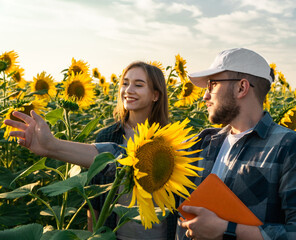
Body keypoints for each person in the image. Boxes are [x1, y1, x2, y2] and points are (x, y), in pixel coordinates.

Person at [4, 61, 177, 239]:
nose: (128, 90)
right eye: (125, 83)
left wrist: (52, 145)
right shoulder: (107, 137)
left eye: (138, 85)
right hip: (116, 235)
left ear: (156, 95)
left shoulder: (172, 142)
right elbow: (94, 199)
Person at [176, 48, 296, 240]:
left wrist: (226, 230)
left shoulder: (287, 147)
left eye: (212, 85)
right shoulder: (201, 143)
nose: (205, 95)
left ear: (241, 87)